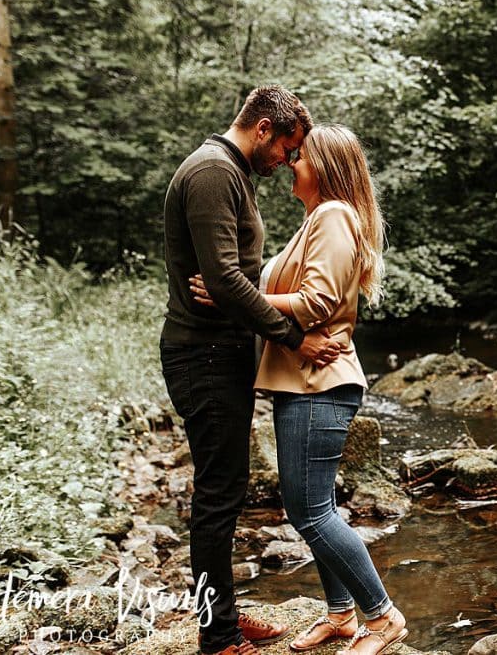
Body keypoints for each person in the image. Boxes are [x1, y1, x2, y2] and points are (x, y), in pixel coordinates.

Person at [190, 124, 407, 655]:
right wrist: (237, 290)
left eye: (300, 156)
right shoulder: (317, 220)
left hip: (321, 383)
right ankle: (340, 616)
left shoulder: (334, 216)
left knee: (310, 511)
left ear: (326, 168)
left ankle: (382, 619)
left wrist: (229, 298)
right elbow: (280, 292)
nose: (291, 162)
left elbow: (315, 302)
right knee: (315, 504)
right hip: (304, 381)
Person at [161, 85, 342, 655]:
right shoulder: (214, 172)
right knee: (218, 496)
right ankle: (218, 637)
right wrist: (295, 337)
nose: (288, 162)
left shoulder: (232, 173)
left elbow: (235, 277)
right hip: (204, 354)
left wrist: (239, 291)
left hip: (221, 352)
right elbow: (222, 277)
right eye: (287, 149)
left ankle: (227, 619)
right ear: (263, 127)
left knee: (228, 491)